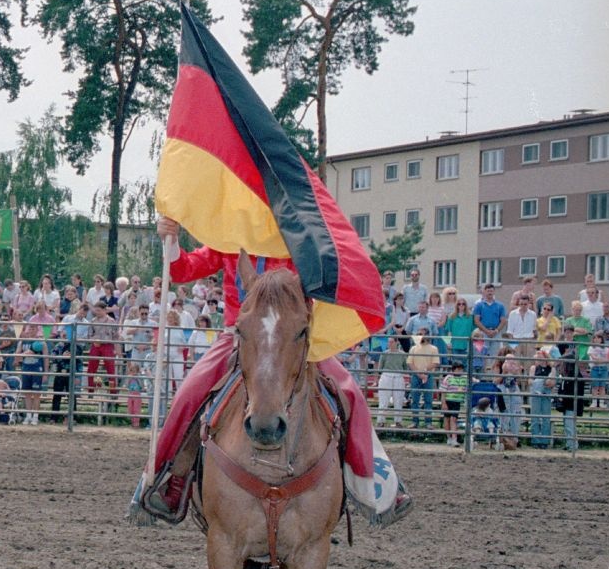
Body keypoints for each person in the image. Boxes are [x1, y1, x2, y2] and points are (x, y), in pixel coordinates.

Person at [136, 216, 411, 525]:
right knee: (189, 394)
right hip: (239, 335)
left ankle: (373, 481)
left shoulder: (297, 239)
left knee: (349, 393)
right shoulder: (228, 235)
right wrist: (170, 239)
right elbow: (184, 268)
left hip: (291, 338)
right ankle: (172, 477)